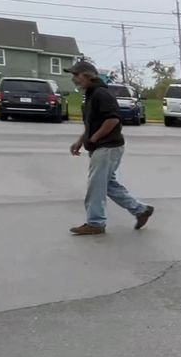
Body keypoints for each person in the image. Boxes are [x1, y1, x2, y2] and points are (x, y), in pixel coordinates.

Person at [66, 60, 153, 235]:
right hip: (104, 147)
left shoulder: (101, 94)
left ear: (88, 76)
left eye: (76, 75)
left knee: (96, 185)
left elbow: (113, 119)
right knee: (108, 185)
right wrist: (81, 141)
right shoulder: (91, 94)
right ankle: (140, 210)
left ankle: (95, 222)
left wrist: (95, 138)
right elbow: (93, 123)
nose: (73, 79)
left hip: (107, 147)